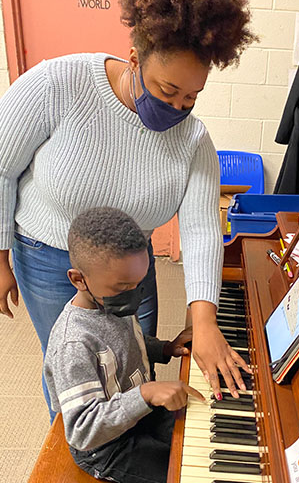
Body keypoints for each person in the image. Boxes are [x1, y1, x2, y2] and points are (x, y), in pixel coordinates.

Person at [0, 0, 256, 419]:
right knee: (73, 374)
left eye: (191, 97)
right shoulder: (57, 84)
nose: (177, 107)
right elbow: (1, 167)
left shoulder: (194, 141)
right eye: (167, 90)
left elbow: (199, 231)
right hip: (50, 257)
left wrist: (205, 319)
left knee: (131, 364)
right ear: (135, 58)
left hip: (132, 268)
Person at [44, 207, 203, 483]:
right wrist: (145, 394)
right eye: (122, 288)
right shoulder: (73, 344)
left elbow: (126, 345)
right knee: (183, 474)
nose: (134, 296)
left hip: (139, 413)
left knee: (197, 438)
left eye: (139, 284)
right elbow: (83, 430)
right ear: (78, 280)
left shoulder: (112, 305)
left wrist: (164, 348)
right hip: (105, 447)